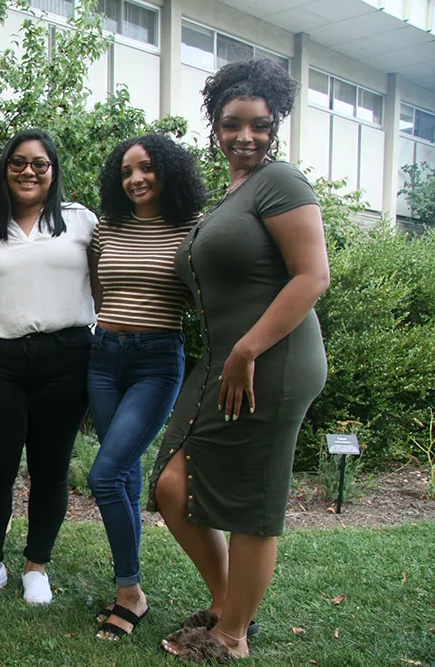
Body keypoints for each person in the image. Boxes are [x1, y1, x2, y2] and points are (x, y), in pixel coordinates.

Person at [152, 59, 329, 663]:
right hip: (227, 359)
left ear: (274, 124)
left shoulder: (282, 181)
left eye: (258, 124)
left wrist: (250, 348)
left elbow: (313, 275)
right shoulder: (235, 191)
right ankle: (227, 603)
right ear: (216, 126)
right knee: (174, 482)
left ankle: (231, 636)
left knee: (254, 499)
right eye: (232, 124)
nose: (245, 137)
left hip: (271, 360)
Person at [0, 128, 95, 607]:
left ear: (53, 170)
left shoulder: (81, 222)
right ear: (5, 169)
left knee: (50, 467)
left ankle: (37, 566)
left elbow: (102, 283)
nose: (28, 171)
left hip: (66, 357)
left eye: (39, 163)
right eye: (18, 162)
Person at [87, 134, 206, 640]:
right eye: (127, 171)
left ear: (169, 173)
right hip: (104, 356)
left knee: (105, 474)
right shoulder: (107, 228)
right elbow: (98, 287)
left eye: (147, 168)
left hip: (157, 361)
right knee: (125, 475)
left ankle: (129, 591)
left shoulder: (194, 230)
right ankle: (131, 585)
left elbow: (208, 297)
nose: (136, 178)